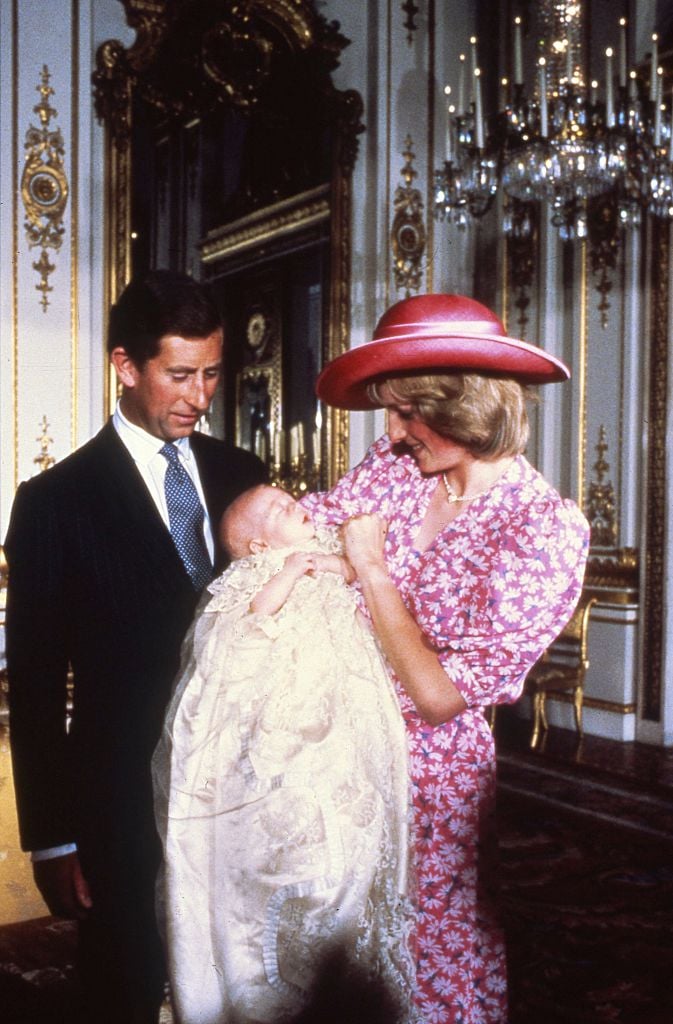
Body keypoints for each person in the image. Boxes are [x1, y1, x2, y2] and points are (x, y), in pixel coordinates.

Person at [300, 293, 591, 1024]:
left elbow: (436, 697)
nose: (392, 433)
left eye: (406, 412)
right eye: (388, 412)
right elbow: (305, 531)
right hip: (335, 751)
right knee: (334, 954)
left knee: (428, 959)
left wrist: (366, 570)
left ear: (464, 406)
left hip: (431, 781)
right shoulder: (398, 467)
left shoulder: (541, 529)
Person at [4, 270, 268, 1024]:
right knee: (123, 981)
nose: (200, 394)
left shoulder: (241, 474)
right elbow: (33, 685)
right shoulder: (56, 504)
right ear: (127, 366)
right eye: (180, 375)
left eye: (213, 373)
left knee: (238, 975)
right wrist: (51, 841)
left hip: (241, 787)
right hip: (119, 801)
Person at [153, 484, 412, 1024]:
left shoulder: (319, 545)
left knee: (350, 819)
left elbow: (351, 573)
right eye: (273, 509)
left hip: (341, 701)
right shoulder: (259, 572)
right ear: (256, 547)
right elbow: (252, 617)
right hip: (284, 709)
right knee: (286, 827)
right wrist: (291, 571)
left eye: (286, 496)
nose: (291, 503)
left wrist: (336, 563)